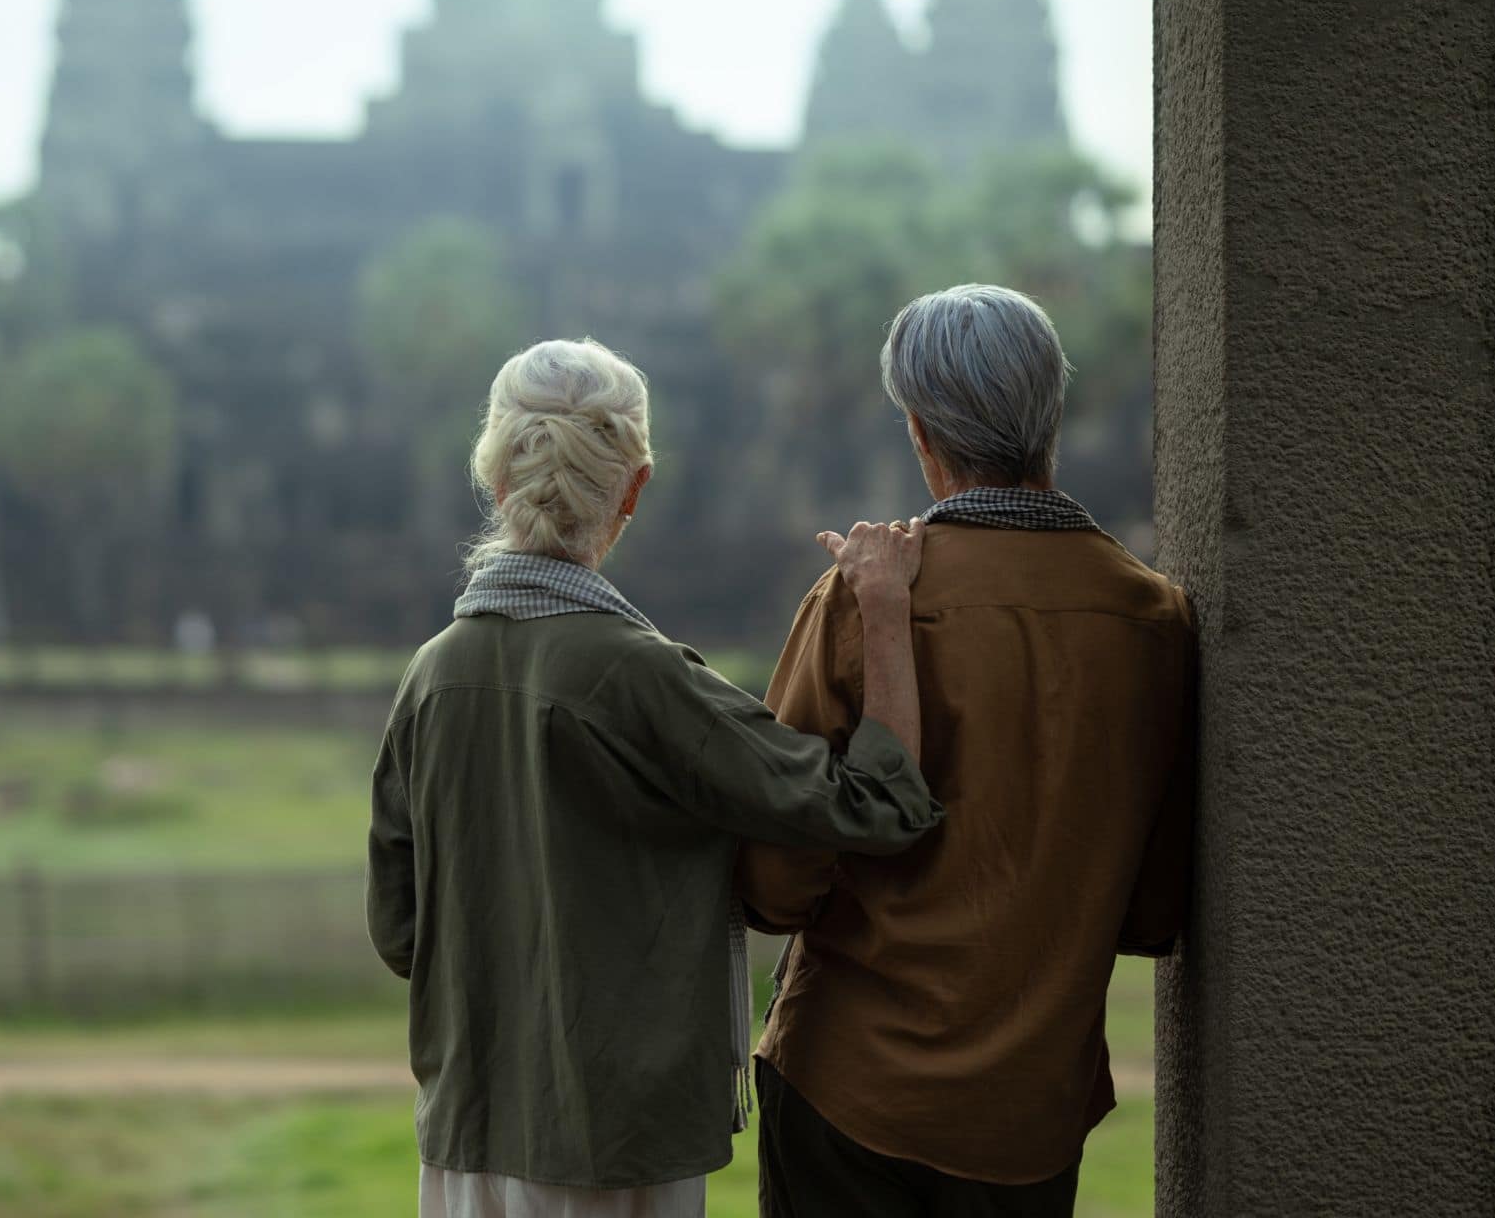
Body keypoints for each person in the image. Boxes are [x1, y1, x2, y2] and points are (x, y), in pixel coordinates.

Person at [367, 337, 947, 1218]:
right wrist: (885, 615)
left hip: (461, 1138)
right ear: (632, 489)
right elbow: (880, 803)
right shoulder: (640, 675)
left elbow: (401, 931)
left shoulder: (430, 675)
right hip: (614, 1140)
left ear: (492, 480)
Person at [737, 284, 1197, 1218]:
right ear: (1051, 416)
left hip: (850, 1093)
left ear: (919, 430)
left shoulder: (868, 600)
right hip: (1028, 1116)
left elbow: (777, 885)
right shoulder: (1154, 620)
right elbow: (1152, 913)